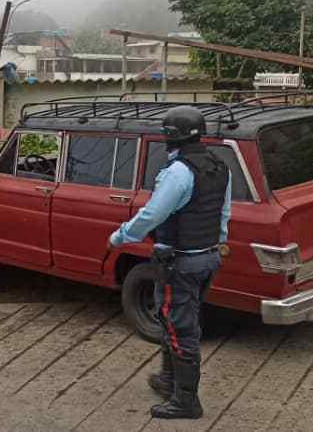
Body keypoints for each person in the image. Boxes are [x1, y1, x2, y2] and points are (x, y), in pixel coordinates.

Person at [108, 106, 232, 420]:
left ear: (169, 135)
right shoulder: (219, 166)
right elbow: (223, 215)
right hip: (208, 258)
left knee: (180, 328)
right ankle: (168, 381)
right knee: (173, 320)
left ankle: (186, 402)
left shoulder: (178, 171)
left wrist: (121, 237)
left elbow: (153, 214)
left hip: (182, 262)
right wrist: (214, 243)